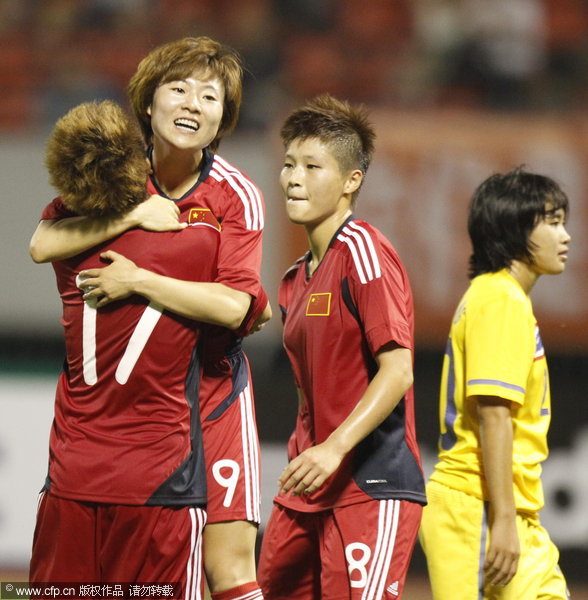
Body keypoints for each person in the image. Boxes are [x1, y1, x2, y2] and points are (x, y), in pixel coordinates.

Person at [29, 37, 269, 600]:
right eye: (178, 89)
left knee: (232, 569)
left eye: (209, 97)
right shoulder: (110, 174)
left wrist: (138, 280)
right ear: (148, 101)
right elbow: (43, 243)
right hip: (89, 442)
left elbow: (239, 305)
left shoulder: (235, 195)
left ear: (223, 118)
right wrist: (135, 213)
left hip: (205, 398)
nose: (191, 104)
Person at [257, 94, 426, 600]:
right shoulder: (293, 281)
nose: (293, 178)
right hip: (306, 487)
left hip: (369, 486)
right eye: (289, 164)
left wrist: (334, 447)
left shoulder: (365, 252)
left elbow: (397, 370)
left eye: (312, 166)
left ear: (352, 181)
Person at [419, 167, 572, 600]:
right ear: (514, 229)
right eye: (553, 221)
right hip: (477, 507)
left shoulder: (501, 298)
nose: (566, 236)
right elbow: (493, 415)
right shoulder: (499, 301)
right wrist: (501, 520)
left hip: (512, 512)